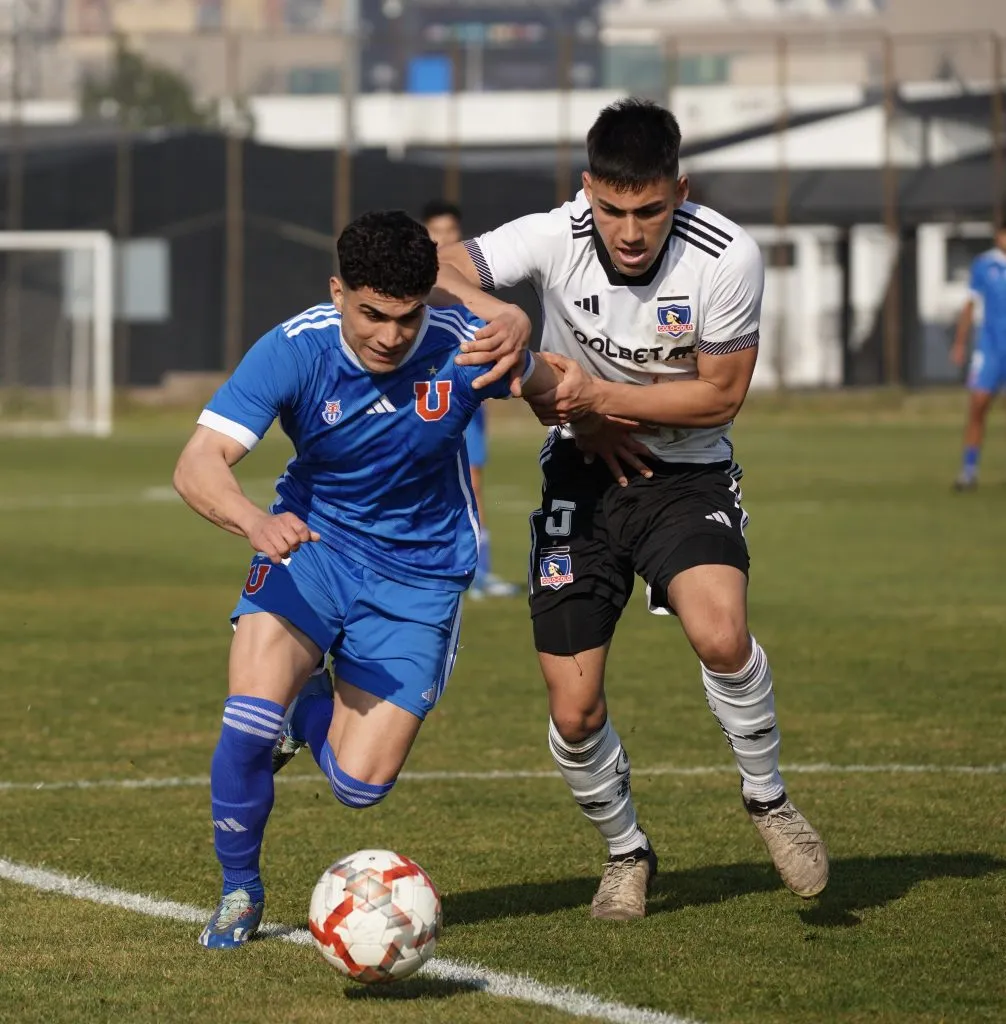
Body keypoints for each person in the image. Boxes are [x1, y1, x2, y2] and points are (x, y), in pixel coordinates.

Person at [433, 98, 829, 920]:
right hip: (580, 478)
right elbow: (433, 260)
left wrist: (593, 396)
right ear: (588, 192)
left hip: (686, 476)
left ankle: (768, 801)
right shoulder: (554, 234)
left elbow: (720, 398)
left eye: (649, 209)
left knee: (721, 632)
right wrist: (498, 311)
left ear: (679, 192)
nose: (631, 230)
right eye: (612, 209)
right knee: (574, 709)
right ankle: (626, 853)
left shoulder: (726, 256)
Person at [172, 210, 561, 948]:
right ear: (337, 291)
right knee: (247, 720)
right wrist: (256, 524)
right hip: (310, 548)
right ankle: (238, 891)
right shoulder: (294, 349)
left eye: (407, 317)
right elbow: (196, 466)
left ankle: (306, 708)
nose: (389, 335)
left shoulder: (460, 345)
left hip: (421, 578)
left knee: (359, 787)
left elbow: (560, 389)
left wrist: (540, 364)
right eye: (372, 313)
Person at [422, 199, 520, 598]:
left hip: (468, 401)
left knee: (474, 483)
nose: (445, 239)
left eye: (451, 232)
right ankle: (442, 566)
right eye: (437, 232)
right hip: (429, 396)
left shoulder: (470, 283)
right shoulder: (415, 282)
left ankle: (479, 571)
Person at [950, 224, 1006, 490]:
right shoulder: (984, 265)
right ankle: (968, 471)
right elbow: (970, 304)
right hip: (991, 348)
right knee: (978, 406)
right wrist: (960, 343)